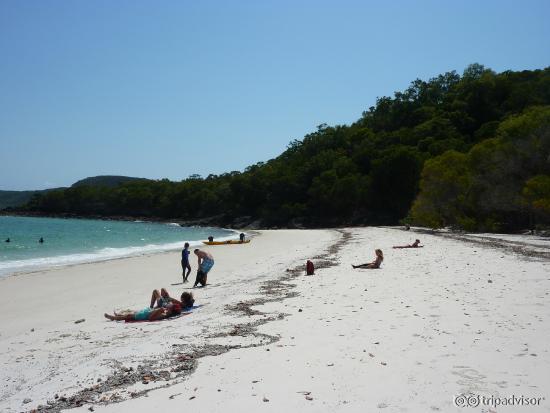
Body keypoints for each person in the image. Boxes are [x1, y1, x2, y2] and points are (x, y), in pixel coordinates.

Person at [104, 302, 182, 322]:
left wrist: (158, 310)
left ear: (171, 310)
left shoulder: (164, 315)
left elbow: (151, 318)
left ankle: (113, 318)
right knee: (129, 314)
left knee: (128, 316)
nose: (169, 306)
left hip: (144, 316)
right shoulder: (165, 312)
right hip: (146, 312)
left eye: (170, 307)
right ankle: (117, 315)